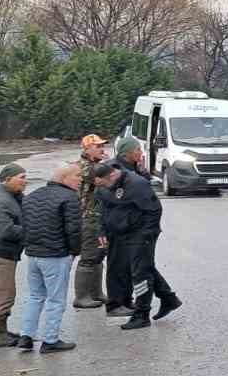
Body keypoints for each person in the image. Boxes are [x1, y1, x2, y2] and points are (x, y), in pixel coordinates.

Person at [94, 161, 181, 330]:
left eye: (104, 183)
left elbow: (154, 210)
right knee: (143, 267)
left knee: (140, 273)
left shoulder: (137, 184)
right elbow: (104, 209)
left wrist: (145, 235)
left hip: (141, 233)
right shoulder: (104, 185)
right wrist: (102, 231)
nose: (102, 187)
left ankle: (142, 314)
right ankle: (168, 298)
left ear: (112, 175)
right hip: (119, 233)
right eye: (99, 185)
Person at [15, 164, 82, 353]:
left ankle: (26, 336)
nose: (80, 179)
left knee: (35, 296)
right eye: (77, 176)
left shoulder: (33, 195)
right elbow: (73, 230)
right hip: (56, 255)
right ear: (64, 178)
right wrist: (74, 251)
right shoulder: (69, 198)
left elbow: (25, 224)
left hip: (34, 255)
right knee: (56, 299)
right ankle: (50, 340)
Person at [108, 136, 174, 312]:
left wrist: (143, 171)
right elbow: (112, 200)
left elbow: (148, 200)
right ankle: (120, 303)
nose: (140, 152)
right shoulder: (115, 170)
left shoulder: (134, 169)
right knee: (122, 267)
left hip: (137, 229)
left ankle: (163, 298)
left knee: (141, 267)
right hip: (123, 228)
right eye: (137, 149)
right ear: (127, 152)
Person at [72, 134, 109, 310]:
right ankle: (81, 296)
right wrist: (107, 164)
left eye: (102, 145)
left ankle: (96, 293)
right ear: (86, 149)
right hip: (87, 218)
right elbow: (101, 178)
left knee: (98, 256)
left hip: (97, 218)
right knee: (88, 257)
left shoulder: (94, 165)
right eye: (97, 146)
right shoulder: (84, 167)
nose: (102, 149)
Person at [0, 163, 25, 347]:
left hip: (7, 253)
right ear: (7, 180)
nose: (25, 181)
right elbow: (5, 231)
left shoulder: (12, 197)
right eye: (21, 177)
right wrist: (31, 231)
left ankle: (2, 330)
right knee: (5, 293)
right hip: (2, 254)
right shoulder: (2, 201)